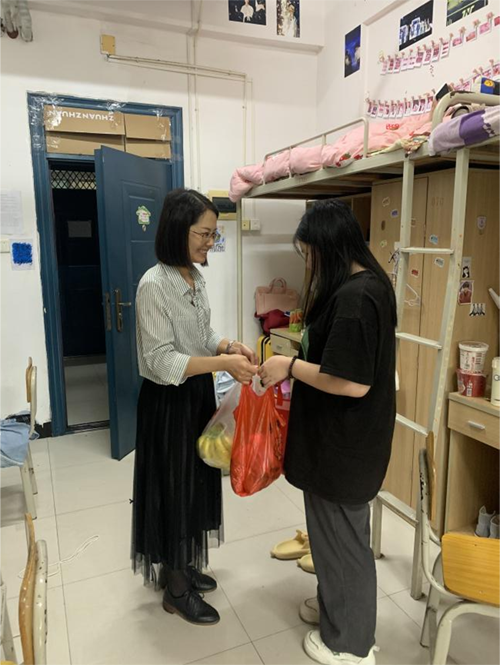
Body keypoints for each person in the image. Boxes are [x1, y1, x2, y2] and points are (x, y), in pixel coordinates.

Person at [259, 200, 397, 665]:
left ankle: (351, 645)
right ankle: (337, 609)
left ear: (330, 247)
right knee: (333, 538)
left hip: (344, 447)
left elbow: (351, 382)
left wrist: (289, 366)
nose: (309, 263)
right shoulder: (364, 286)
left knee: (343, 544)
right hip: (341, 443)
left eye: (310, 253)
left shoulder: (358, 299)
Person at [132, 189, 258, 626]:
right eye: (204, 234)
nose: (210, 242)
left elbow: (201, 336)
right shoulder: (153, 285)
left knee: (193, 484)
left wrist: (228, 346)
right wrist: (223, 364)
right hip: (168, 403)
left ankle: (182, 565)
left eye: (213, 234)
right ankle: (176, 589)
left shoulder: (193, 278)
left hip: (195, 395)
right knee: (173, 488)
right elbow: (161, 360)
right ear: (177, 231)